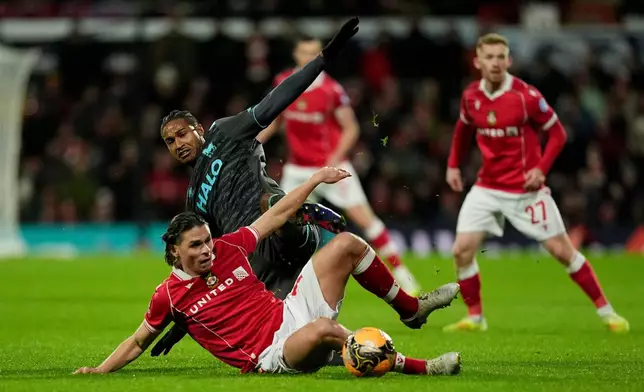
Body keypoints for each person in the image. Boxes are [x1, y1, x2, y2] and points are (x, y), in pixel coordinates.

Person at [73, 166, 462, 376]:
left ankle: (411, 309)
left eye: (208, 240)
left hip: (289, 311)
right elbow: (139, 341)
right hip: (269, 354)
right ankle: (424, 367)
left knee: (347, 244)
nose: (208, 249)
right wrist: (100, 369)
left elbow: (275, 214)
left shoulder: (227, 248)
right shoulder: (169, 296)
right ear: (175, 252)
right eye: (196, 245)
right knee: (324, 331)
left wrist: (313, 180)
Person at [150, 18, 360, 357]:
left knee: (268, 201)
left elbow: (277, 99)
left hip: (280, 229)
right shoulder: (192, 200)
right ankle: (351, 352)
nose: (177, 144)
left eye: (182, 133)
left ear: (198, 128)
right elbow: (208, 259)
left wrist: (321, 60)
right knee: (299, 341)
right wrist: (182, 323)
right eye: (169, 141)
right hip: (259, 263)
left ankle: (300, 215)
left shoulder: (225, 133)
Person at [443, 33, 629, 333]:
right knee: (461, 250)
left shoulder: (525, 96)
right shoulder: (471, 96)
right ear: (477, 62)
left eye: (500, 57)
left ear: (509, 60)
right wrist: (453, 165)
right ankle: (475, 317)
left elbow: (557, 134)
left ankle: (608, 313)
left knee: (561, 251)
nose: (495, 63)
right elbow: (463, 130)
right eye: (489, 57)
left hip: (525, 191)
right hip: (487, 187)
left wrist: (541, 170)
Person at [257, 35, 420, 296]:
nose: (309, 58)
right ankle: (278, 282)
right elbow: (277, 121)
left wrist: (335, 157)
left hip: (331, 167)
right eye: (304, 52)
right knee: (279, 222)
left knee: (366, 221)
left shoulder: (331, 90)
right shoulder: (283, 83)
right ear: (295, 55)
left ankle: (403, 276)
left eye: (314, 53)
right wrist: (254, 142)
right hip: (297, 169)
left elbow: (351, 128)